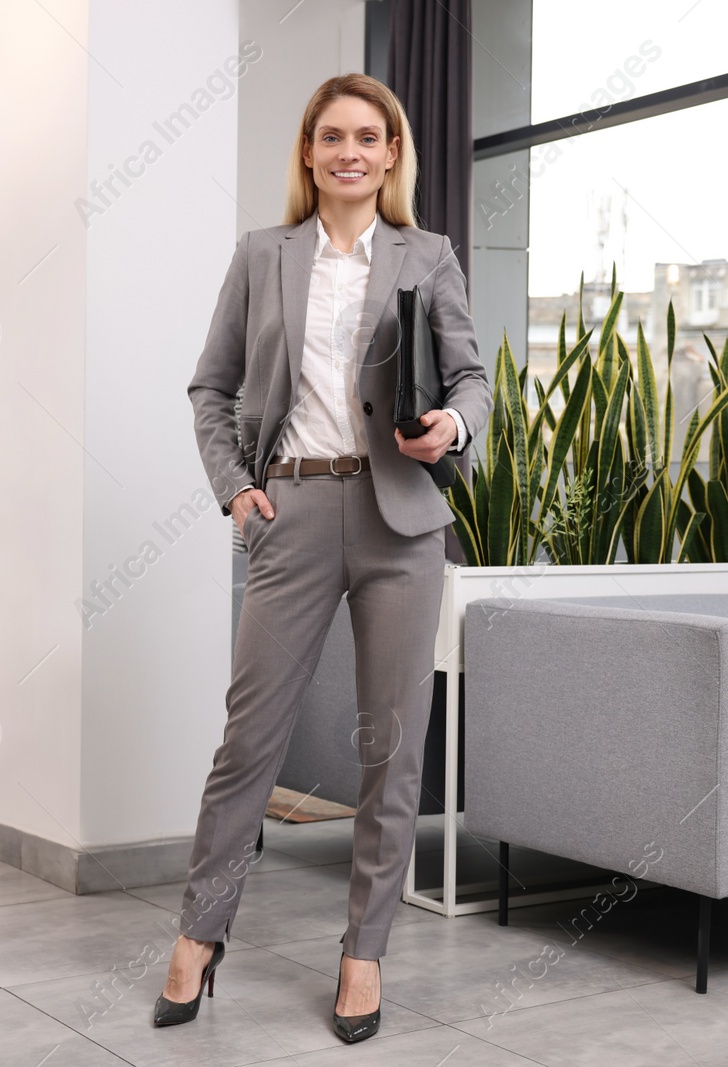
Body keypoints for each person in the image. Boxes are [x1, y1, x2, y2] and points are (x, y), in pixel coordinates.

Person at [160, 73, 492, 1043]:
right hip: (293, 507)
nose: (350, 150)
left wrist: (452, 424)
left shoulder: (427, 256)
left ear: (391, 154)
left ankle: (362, 954)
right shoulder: (261, 255)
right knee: (248, 742)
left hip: (402, 519)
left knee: (390, 752)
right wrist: (234, 486)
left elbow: (470, 374)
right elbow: (209, 384)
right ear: (309, 152)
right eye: (331, 135)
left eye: (368, 136)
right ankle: (198, 933)